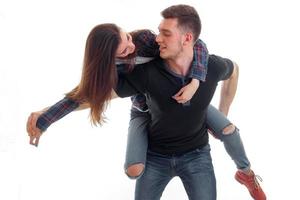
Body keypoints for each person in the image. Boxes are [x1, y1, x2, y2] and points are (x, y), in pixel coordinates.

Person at [26, 5, 266, 200]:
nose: (131, 48)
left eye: (127, 38)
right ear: (109, 59)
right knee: (134, 169)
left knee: (228, 129)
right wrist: (46, 117)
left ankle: (246, 174)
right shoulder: (125, 74)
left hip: (187, 119)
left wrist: (196, 82)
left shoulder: (146, 40)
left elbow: (198, 45)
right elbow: (86, 97)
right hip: (144, 107)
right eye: (122, 51)